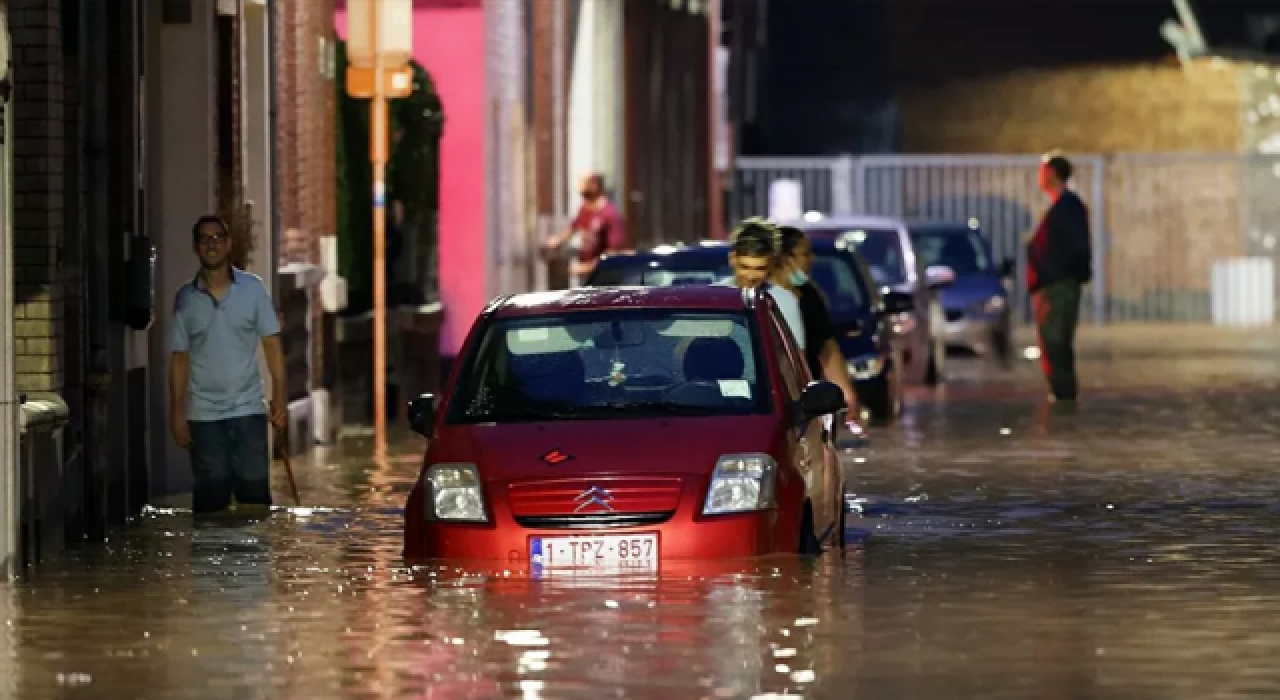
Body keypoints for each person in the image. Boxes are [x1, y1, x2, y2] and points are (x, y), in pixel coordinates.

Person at [169, 215, 288, 515]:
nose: (212, 245)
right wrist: (177, 412)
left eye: (217, 238)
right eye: (204, 239)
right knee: (211, 503)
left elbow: (272, 344)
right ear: (196, 247)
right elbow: (180, 358)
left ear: (228, 244)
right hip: (204, 416)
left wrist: (280, 396)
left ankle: (253, 549)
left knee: (254, 501)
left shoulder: (253, 289)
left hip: (248, 410)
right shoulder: (185, 299)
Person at [1027, 150, 1092, 403]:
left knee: (1055, 342)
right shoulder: (1063, 206)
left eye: (1042, 171)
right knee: (1053, 344)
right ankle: (1062, 395)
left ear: (1052, 173)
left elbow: (1074, 248)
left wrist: (1052, 276)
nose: (1039, 176)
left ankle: (1064, 396)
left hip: (1057, 288)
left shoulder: (1068, 207)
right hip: (1053, 286)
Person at [777, 225, 859, 412]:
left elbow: (826, 349)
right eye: (805, 254)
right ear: (785, 259)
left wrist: (847, 395)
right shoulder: (761, 297)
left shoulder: (809, 296)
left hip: (807, 399)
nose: (811, 260)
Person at [723, 217, 806, 351]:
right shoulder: (714, 297)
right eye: (744, 267)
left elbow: (794, 357)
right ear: (732, 259)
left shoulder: (784, 302)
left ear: (771, 265)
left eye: (759, 269)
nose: (751, 277)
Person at [542, 173, 629, 284]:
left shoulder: (610, 215)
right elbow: (573, 228)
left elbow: (612, 254)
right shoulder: (584, 209)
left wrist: (585, 268)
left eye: (583, 184)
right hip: (588, 275)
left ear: (594, 186)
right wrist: (556, 240)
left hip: (605, 277)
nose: (579, 188)